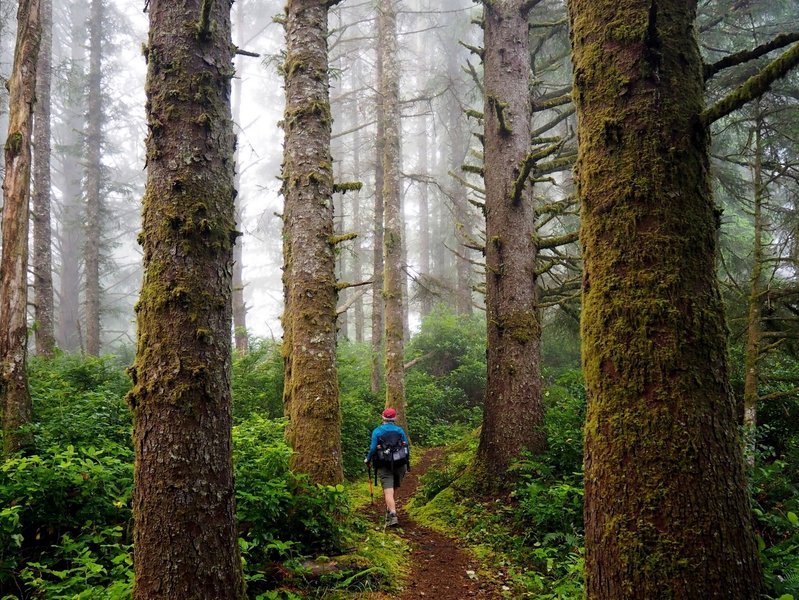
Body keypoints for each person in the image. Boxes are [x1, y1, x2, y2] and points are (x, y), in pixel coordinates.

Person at [364, 408, 410, 527]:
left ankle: (393, 513)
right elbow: (406, 447)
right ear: (395, 418)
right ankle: (391, 507)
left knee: (388, 491)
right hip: (400, 464)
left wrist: (368, 459)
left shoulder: (377, 431)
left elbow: (373, 448)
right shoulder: (399, 430)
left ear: (382, 417)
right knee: (394, 487)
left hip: (384, 465)